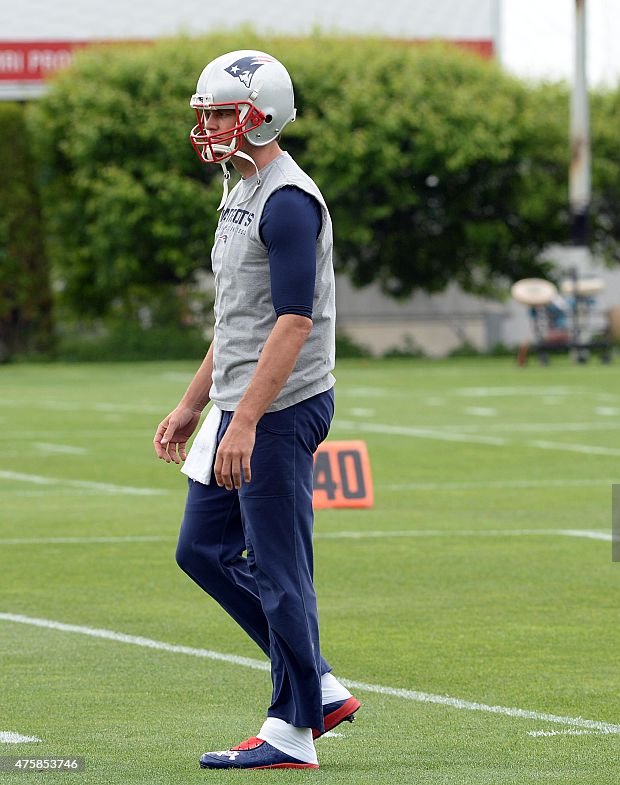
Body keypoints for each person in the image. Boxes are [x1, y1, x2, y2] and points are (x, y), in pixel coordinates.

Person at [153, 50, 359, 768]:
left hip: (279, 407)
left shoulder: (289, 199)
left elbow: (293, 322)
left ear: (260, 114)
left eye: (219, 113)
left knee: (279, 567)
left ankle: (292, 728)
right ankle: (319, 683)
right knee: (202, 550)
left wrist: (243, 420)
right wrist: (193, 403)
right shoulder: (238, 185)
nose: (207, 126)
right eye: (204, 113)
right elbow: (236, 318)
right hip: (239, 401)